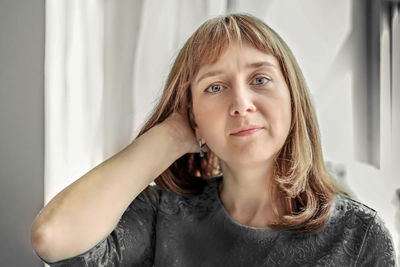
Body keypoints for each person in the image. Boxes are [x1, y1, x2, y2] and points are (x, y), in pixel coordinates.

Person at [31, 13, 397, 266]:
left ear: (293, 99)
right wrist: (171, 136)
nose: (241, 104)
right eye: (215, 87)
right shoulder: (163, 217)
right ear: (194, 118)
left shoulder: (359, 235)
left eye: (260, 80)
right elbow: (53, 237)